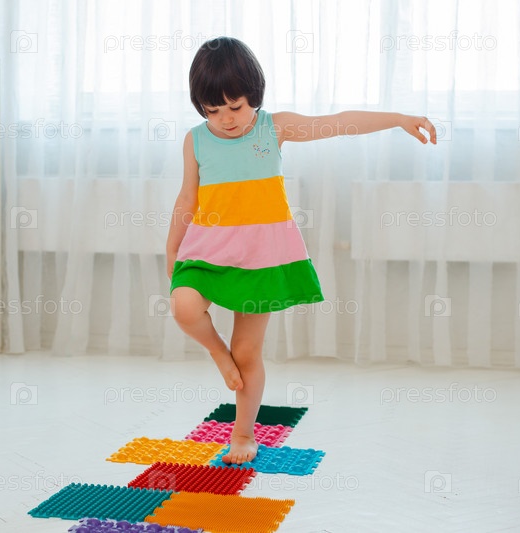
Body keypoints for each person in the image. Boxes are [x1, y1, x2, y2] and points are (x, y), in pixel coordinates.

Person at [166, 37, 436, 464]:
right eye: (212, 110)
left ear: (254, 94)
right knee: (184, 307)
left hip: (260, 259)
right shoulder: (196, 140)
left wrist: (398, 119)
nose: (226, 119)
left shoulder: (275, 128)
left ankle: (242, 434)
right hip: (208, 253)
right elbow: (187, 199)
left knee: (247, 352)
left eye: (235, 107)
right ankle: (218, 354)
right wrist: (172, 252)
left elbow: (338, 123)